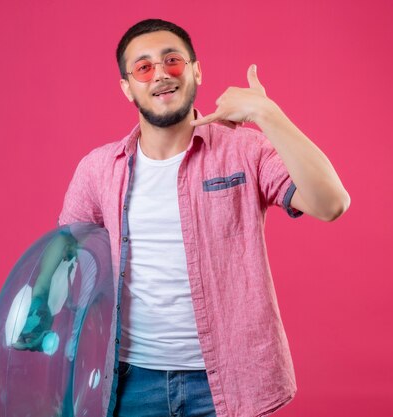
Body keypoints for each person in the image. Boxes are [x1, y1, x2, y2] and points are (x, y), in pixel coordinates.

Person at [57, 18, 350, 417]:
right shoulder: (99, 169)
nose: (160, 73)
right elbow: (65, 255)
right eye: (143, 67)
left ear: (196, 70)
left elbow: (331, 202)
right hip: (130, 382)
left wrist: (266, 113)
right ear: (128, 87)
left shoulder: (245, 150)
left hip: (229, 383)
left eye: (172, 60)